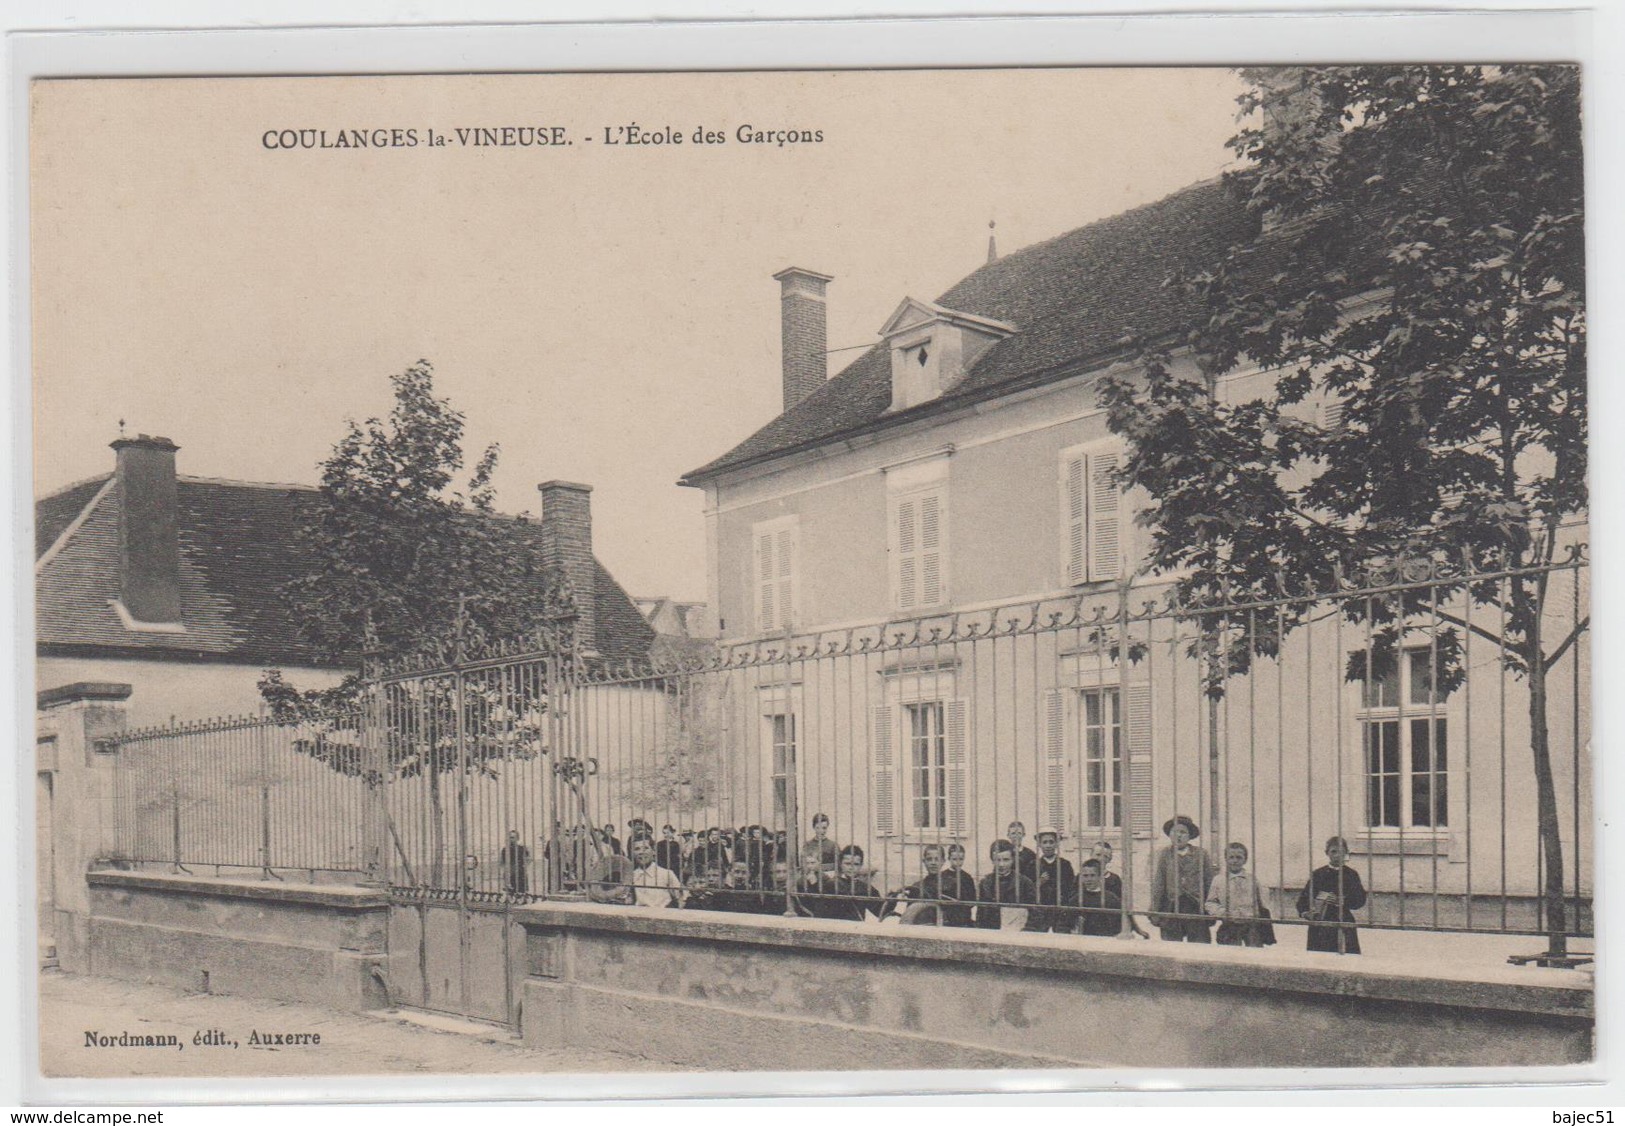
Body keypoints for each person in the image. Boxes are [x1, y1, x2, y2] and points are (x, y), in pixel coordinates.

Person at [1148, 814, 1216, 943]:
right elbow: (1159, 883)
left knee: (1199, 944)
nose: (1178, 835)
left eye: (1183, 832)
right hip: (1172, 905)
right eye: (1175, 831)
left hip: (1195, 906)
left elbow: (1209, 883)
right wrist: (1155, 909)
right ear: (1170, 834)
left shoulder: (1201, 854)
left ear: (1189, 836)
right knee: (1172, 944)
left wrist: (1210, 909)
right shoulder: (1165, 854)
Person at [1297, 836, 1367, 954]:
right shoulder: (1318, 874)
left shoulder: (1351, 874)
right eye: (1333, 851)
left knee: (1346, 958)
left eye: (1341, 852)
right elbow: (1303, 900)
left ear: (1346, 853)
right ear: (1327, 853)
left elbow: (1360, 900)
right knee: (1319, 959)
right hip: (1320, 924)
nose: (1337, 855)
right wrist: (1306, 913)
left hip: (1343, 921)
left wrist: (1344, 901)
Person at [882, 844, 973, 927]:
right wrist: (892, 898)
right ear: (924, 861)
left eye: (937, 859)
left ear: (943, 861)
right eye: (929, 859)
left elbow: (964, 913)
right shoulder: (918, 886)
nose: (933, 863)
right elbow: (908, 914)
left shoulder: (953, 884)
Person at [1206, 841, 1273, 948]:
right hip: (1230, 923)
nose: (1235, 861)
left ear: (1245, 860)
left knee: (1254, 951)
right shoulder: (1218, 880)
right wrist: (1223, 913)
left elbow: (1262, 902)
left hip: (1251, 924)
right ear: (1226, 859)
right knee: (1231, 952)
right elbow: (1210, 902)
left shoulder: (1252, 879)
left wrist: (1256, 915)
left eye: (1239, 857)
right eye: (1231, 857)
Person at [975, 839, 1040, 931]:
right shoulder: (985, 883)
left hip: (1017, 934)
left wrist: (1025, 932)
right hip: (991, 934)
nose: (1001, 864)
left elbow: (1035, 913)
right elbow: (980, 914)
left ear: (1012, 860)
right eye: (997, 860)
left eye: (1006, 860)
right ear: (992, 860)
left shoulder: (1025, 883)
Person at [1092, 840, 1150, 938]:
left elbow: (1123, 905)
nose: (1100, 859)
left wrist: (1137, 929)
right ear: (1091, 855)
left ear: (1110, 859)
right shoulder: (1082, 877)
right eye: (1097, 854)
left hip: (1108, 925)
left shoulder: (1114, 879)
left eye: (1105, 856)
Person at [1030, 827, 1078, 932]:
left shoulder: (1065, 864)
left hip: (1060, 909)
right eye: (1044, 842)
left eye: (1051, 842)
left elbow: (1072, 887)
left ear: (1056, 844)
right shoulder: (1033, 865)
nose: (1048, 845)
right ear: (1039, 844)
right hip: (1040, 909)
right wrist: (1039, 883)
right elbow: (1028, 890)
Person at [826, 845, 884, 923]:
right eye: (847, 864)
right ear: (840, 864)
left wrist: (892, 894)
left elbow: (880, 911)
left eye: (856, 864)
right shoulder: (831, 884)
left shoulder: (864, 887)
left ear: (861, 865)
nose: (851, 868)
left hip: (855, 928)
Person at [625, 835, 682, 908]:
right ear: (632, 853)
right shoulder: (632, 876)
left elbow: (681, 898)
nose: (641, 852)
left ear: (654, 851)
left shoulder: (666, 874)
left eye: (645, 848)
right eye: (637, 849)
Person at [1075, 859, 1125, 937]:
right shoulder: (1077, 899)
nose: (1089, 879)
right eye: (1085, 876)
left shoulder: (1111, 899)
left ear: (1100, 877)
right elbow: (1063, 924)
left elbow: (1121, 923)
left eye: (1092, 875)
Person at [792, 850, 839, 918]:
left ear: (819, 863)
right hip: (804, 910)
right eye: (807, 863)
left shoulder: (824, 877)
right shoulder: (800, 879)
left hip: (820, 911)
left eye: (813, 863)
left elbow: (826, 897)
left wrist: (815, 884)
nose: (809, 866)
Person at [498, 828, 531, 896]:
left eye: (513, 837)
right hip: (510, 872)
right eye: (510, 837)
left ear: (517, 838)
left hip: (520, 872)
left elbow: (529, 858)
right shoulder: (505, 849)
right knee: (510, 893)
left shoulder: (522, 848)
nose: (511, 839)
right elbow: (502, 862)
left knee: (522, 893)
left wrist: (525, 867)